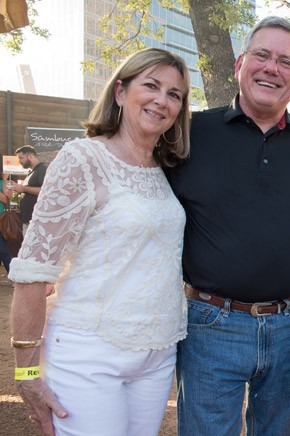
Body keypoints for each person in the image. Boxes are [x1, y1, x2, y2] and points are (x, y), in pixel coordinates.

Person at [9, 47, 190, 436]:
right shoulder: (83, 158)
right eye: (152, 85)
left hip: (156, 356)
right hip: (89, 352)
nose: (162, 100)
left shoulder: (164, 169)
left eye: (174, 94)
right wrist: (27, 372)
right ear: (121, 92)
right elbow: (32, 269)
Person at [165, 16, 290, 436]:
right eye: (261, 55)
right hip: (209, 324)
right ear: (240, 64)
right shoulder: (189, 133)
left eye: (285, 62)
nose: (271, 68)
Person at [8, 145, 47, 235]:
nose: (19, 161)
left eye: (21, 158)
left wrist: (23, 188)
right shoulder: (31, 172)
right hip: (28, 220)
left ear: (30, 156)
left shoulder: (42, 169)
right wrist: (17, 189)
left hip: (36, 221)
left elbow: (45, 191)